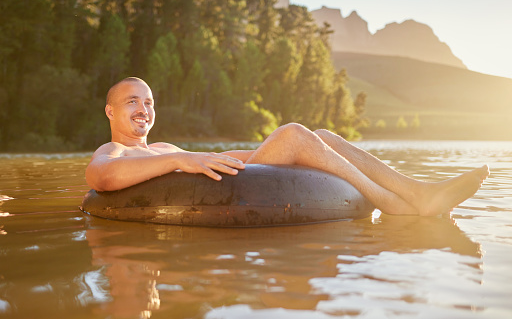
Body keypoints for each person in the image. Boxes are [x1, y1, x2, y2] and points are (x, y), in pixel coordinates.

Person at [86, 77, 489, 216]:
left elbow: (234, 159)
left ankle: (416, 190)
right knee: (295, 132)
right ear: (110, 111)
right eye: (132, 101)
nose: (144, 108)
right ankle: (400, 205)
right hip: (221, 201)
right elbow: (101, 177)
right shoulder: (116, 152)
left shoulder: (164, 147)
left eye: (149, 101)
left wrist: (267, 149)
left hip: (232, 182)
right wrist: (182, 159)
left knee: (321, 138)